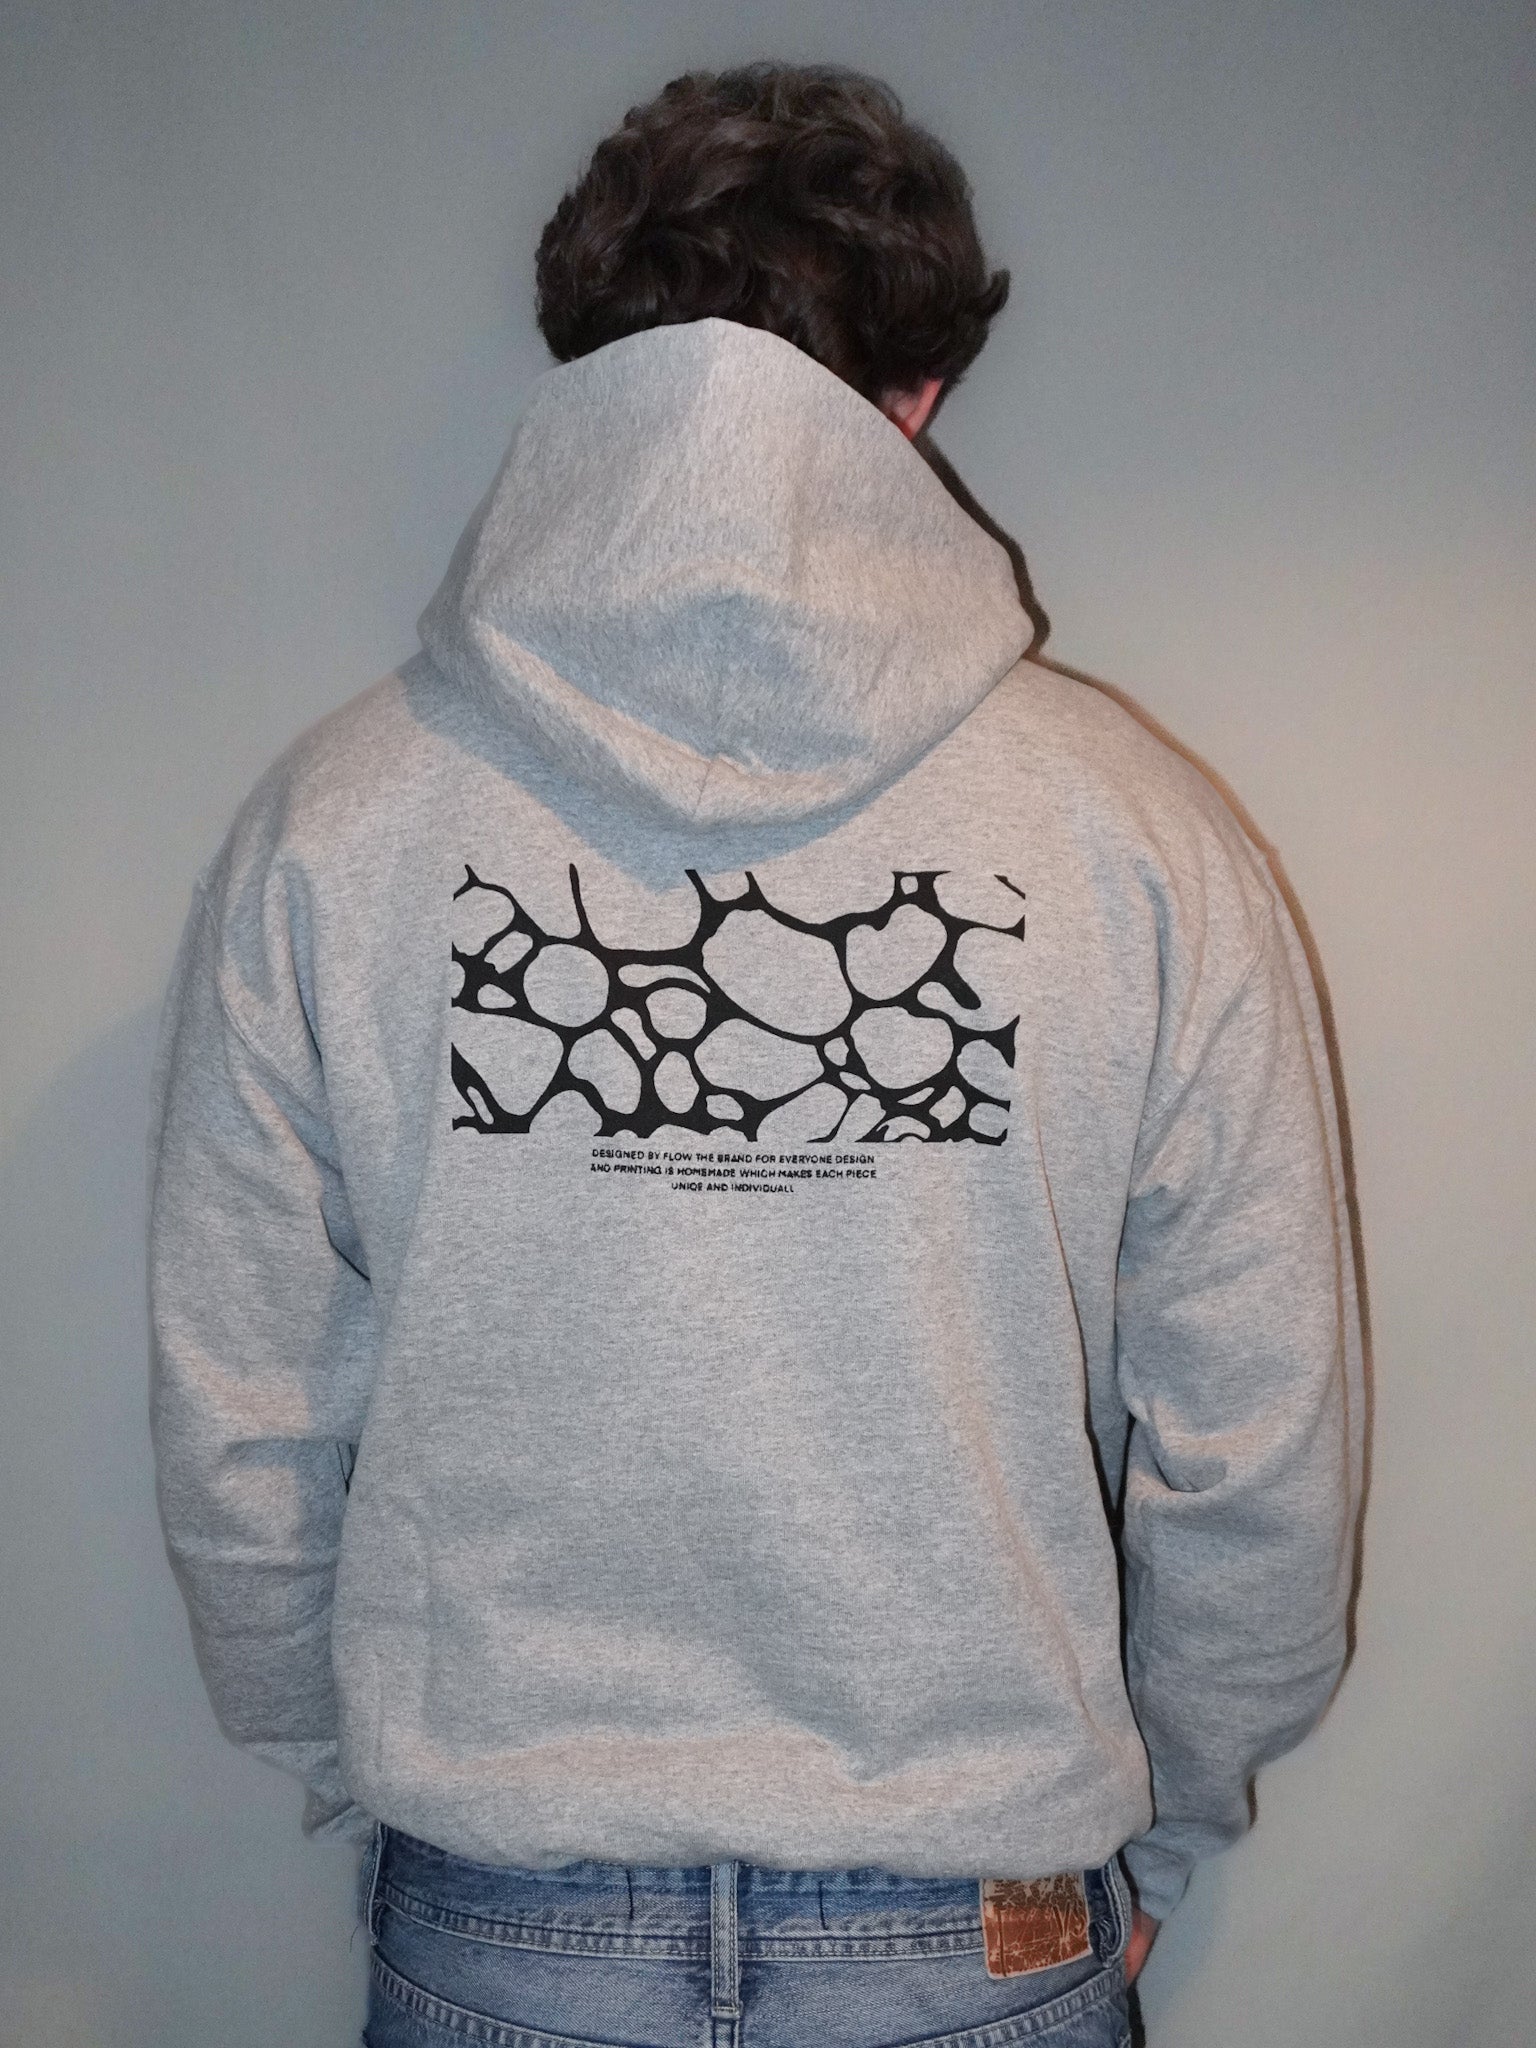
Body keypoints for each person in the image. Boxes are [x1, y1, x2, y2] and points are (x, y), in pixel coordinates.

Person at [147, 62, 1363, 2048]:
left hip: (505, 1926)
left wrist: (376, 1781)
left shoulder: (339, 825)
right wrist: (1167, 1818)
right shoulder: (1137, 839)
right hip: (977, 1926)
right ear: (917, 401)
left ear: (585, 384)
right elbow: (1259, 1444)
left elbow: (242, 1424)